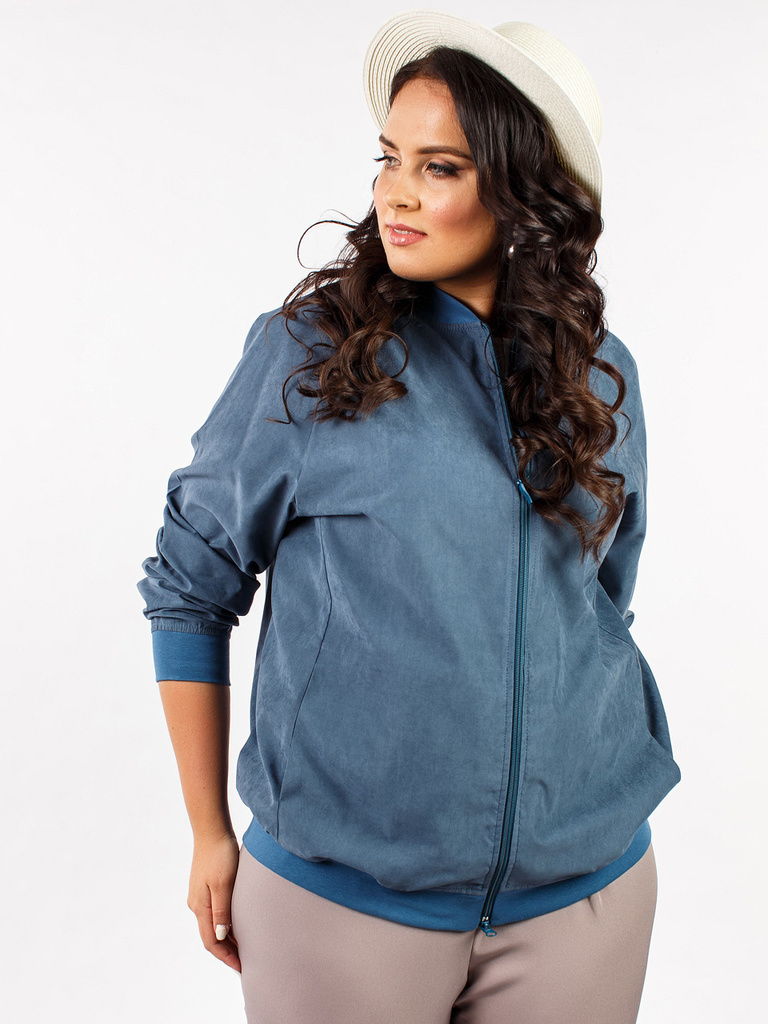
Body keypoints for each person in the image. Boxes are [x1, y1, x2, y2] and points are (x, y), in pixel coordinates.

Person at [137, 11, 682, 1023]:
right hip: (343, 907)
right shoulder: (311, 358)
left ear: (525, 192)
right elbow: (189, 585)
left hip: (586, 901)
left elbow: (601, 604)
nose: (395, 192)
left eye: (441, 167)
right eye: (390, 158)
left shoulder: (602, 376)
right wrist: (209, 830)